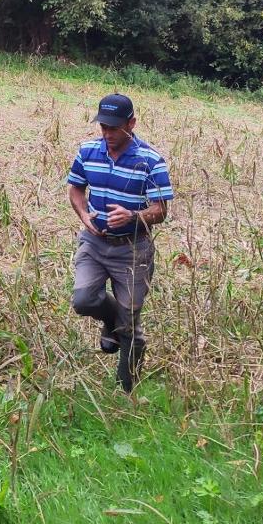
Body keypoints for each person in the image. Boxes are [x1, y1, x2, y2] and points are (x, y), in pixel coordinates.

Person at [66, 93, 174, 392]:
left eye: (114, 127)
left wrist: (133, 216)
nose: (107, 133)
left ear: (132, 123)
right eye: (103, 126)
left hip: (133, 249)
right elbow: (75, 189)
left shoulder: (150, 160)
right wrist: (84, 214)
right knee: (84, 300)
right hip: (94, 243)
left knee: (129, 322)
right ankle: (112, 321)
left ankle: (126, 388)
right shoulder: (88, 152)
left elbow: (161, 210)